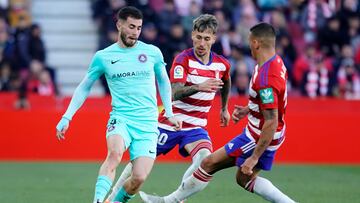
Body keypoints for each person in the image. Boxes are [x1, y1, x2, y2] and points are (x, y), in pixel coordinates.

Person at [140, 22, 296, 203]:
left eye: (249, 41)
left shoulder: (266, 76)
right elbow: (273, 104)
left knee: (208, 163)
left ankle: (168, 201)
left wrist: (254, 157)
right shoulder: (275, 63)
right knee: (243, 179)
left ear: (255, 43)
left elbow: (271, 120)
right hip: (269, 132)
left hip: (258, 136)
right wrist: (249, 109)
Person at [55, 6, 182, 203]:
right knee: (114, 154)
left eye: (139, 28)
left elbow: (164, 82)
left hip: (147, 123)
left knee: (139, 177)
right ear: (119, 25)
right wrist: (67, 116)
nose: (135, 32)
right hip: (121, 118)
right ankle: (97, 200)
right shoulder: (103, 57)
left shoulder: (152, 52)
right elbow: (84, 87)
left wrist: (170, 112)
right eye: (131, 27)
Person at [106, 14, 231, 202]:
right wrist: (199, 86)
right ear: (192, 36)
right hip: (169, 123)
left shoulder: (221, 64)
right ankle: (112, 197)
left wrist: (224, 108)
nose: (202, 43)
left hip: (196, 128)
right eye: (198, 37)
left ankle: (177, 199)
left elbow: (226, 79)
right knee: (138, 162)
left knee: (205, 161)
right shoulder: (183, 60)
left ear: (214, 38)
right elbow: (174, 92)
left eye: (206, 39)